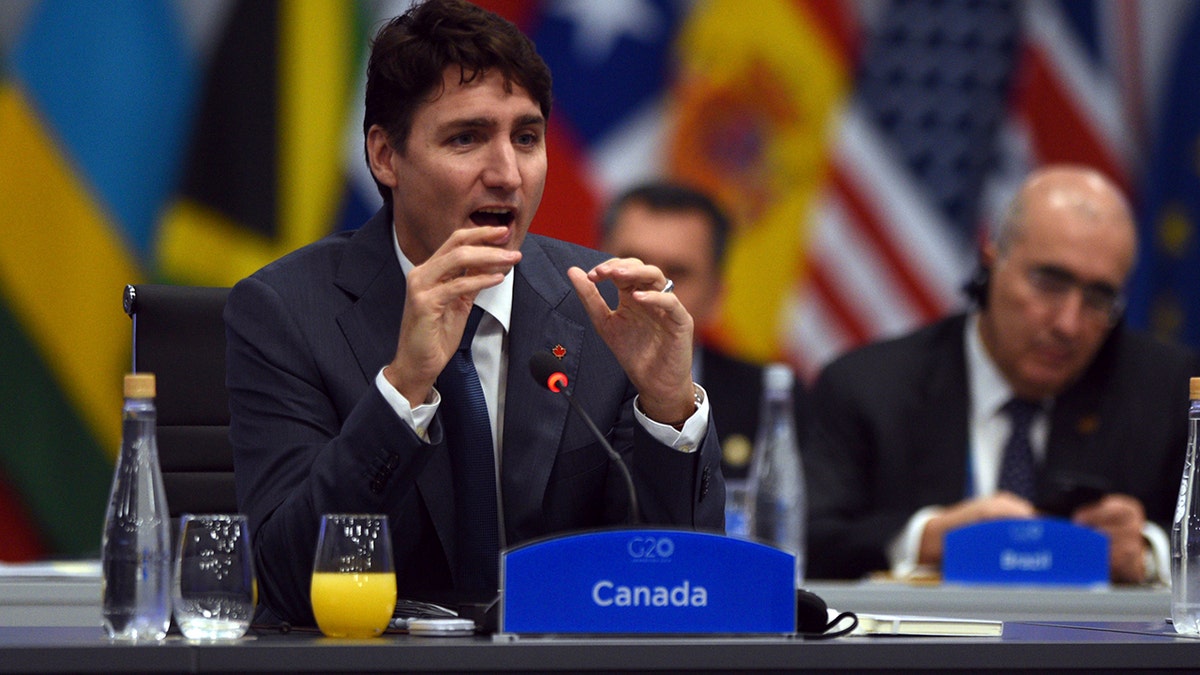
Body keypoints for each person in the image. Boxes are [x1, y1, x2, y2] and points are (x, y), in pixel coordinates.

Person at [225, 0, 724, 626]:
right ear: (385, 157)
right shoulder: (286, 311)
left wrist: (668, 409)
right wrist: (403, 389)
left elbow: (674, 583)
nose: (507, 174)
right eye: (466, 138)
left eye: (526, 137)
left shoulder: (601, 308)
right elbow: (287, 582)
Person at [805, 165, 1197, 583]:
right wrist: (926, 538)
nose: (1069, 323)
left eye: (1099, 298)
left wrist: (1150, 551)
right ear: (992, 258)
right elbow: (807, 541)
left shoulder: (1169, 390)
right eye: (1050, 281)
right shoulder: (867, 387)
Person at [600, 181, 807, 482]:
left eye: (677, 273)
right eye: (634, 264)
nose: (651, 286)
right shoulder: (546, 378)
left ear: (716, 297)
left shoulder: (769, 401)